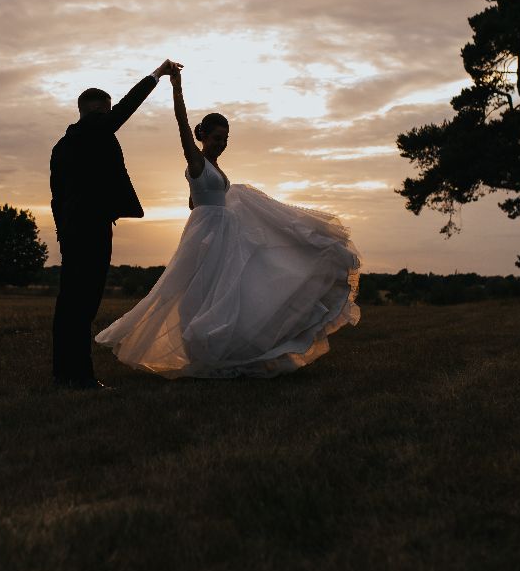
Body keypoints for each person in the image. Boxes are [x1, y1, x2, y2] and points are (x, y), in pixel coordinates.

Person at [95, 70, 362, 378]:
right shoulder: (196, 160)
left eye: (225, 139)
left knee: (229, 290)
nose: (221, 144)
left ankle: (220, 346)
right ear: (203, 137)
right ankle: (193, 346)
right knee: (190, 292)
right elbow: (182, 126)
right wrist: (176, 87)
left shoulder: (214, 167)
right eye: (216, 138)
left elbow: (196, 200)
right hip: (205, 232)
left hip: (222, 230)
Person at [49, 58, 184, 390]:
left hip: (71, 230)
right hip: (91, 227)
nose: (108, 117)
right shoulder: (97, 127)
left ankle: (63, 373)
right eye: (105, 112)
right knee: (84, 303)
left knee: (69, 303)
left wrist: (62, 234)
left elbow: (56, 197)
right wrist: (156, 74)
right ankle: (79, 376)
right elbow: (126, 109)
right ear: (97, 110)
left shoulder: (61, 147)